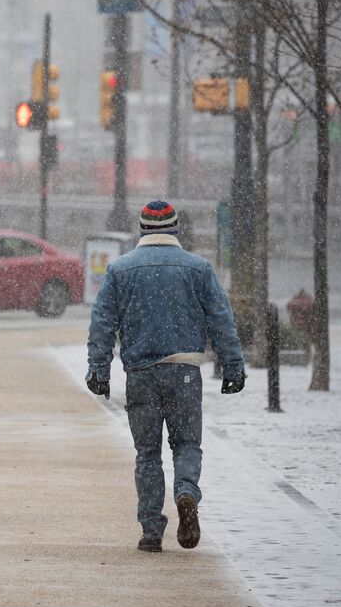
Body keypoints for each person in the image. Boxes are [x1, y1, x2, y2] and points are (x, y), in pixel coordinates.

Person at [86, 200, 245, 553]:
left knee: (147, 454)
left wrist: (98, 369)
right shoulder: (198, 269)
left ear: (142, 230)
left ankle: (151, 530)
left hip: (140, 373)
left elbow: (102, 325)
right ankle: (186, 491)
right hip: (185, 370)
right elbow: (221, 319)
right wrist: (232, 365)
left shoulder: (120, 270)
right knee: (186, 443)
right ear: (175, 229)